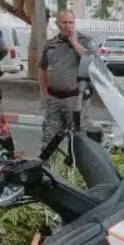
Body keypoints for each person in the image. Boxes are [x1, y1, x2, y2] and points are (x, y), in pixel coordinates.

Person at [39, 10, 95, 149]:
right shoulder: (51, 44)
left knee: (78, 140)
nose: (67, 25)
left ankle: (76, 168)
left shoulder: (86, 41)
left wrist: (75, 43)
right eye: (64, 22)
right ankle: (47, 168)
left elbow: (92, 62)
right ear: (57, 23)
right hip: (54, 100)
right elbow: (42, 68)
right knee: (49, 141)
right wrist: (45, 92)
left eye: (71, 22)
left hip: (75, 101)